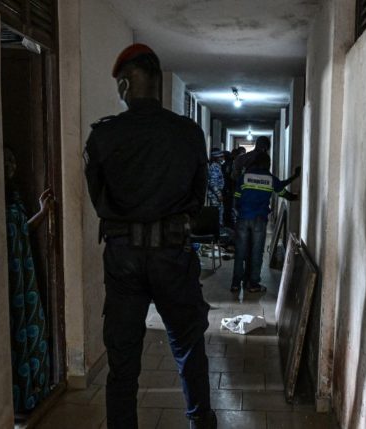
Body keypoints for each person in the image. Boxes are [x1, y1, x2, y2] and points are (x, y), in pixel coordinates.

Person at [83, 43, 217, 429]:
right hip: (172, 254)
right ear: (158, 84)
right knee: (189, 348)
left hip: (123, 258)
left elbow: (98, 197)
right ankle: (200, 423)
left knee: (122, 362)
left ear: (125, 85)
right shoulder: (188, 134)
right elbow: (196, 196)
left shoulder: (103, 138)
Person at [3, 147, 54, 414]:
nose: (10, 169)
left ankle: (32, 391)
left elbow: (22, 227)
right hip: (7, 274)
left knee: (28, 323)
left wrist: (43, 211)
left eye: (11, 163)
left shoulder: (13, 197)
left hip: (22, 270)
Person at [232, 152, 300, 292]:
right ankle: (253, 284)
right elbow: (284, 193)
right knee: (257, 252)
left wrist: (241, 212)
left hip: (243, 218)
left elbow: (236, 199)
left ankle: (235, 284)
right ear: (267, 164)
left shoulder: (244, 178)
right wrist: (296, 185)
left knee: (240, 252)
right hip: (259, 220)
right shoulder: (270, 179)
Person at [206, 149, 225, 227]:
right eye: (221, 157)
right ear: (216, 157)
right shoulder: (214, 167)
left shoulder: (217, 166)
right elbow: (213, 183)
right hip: (214, 195)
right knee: (216, 214)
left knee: (219, 213)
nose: (222, 158)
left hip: (216, 194)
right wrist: (218, 194)